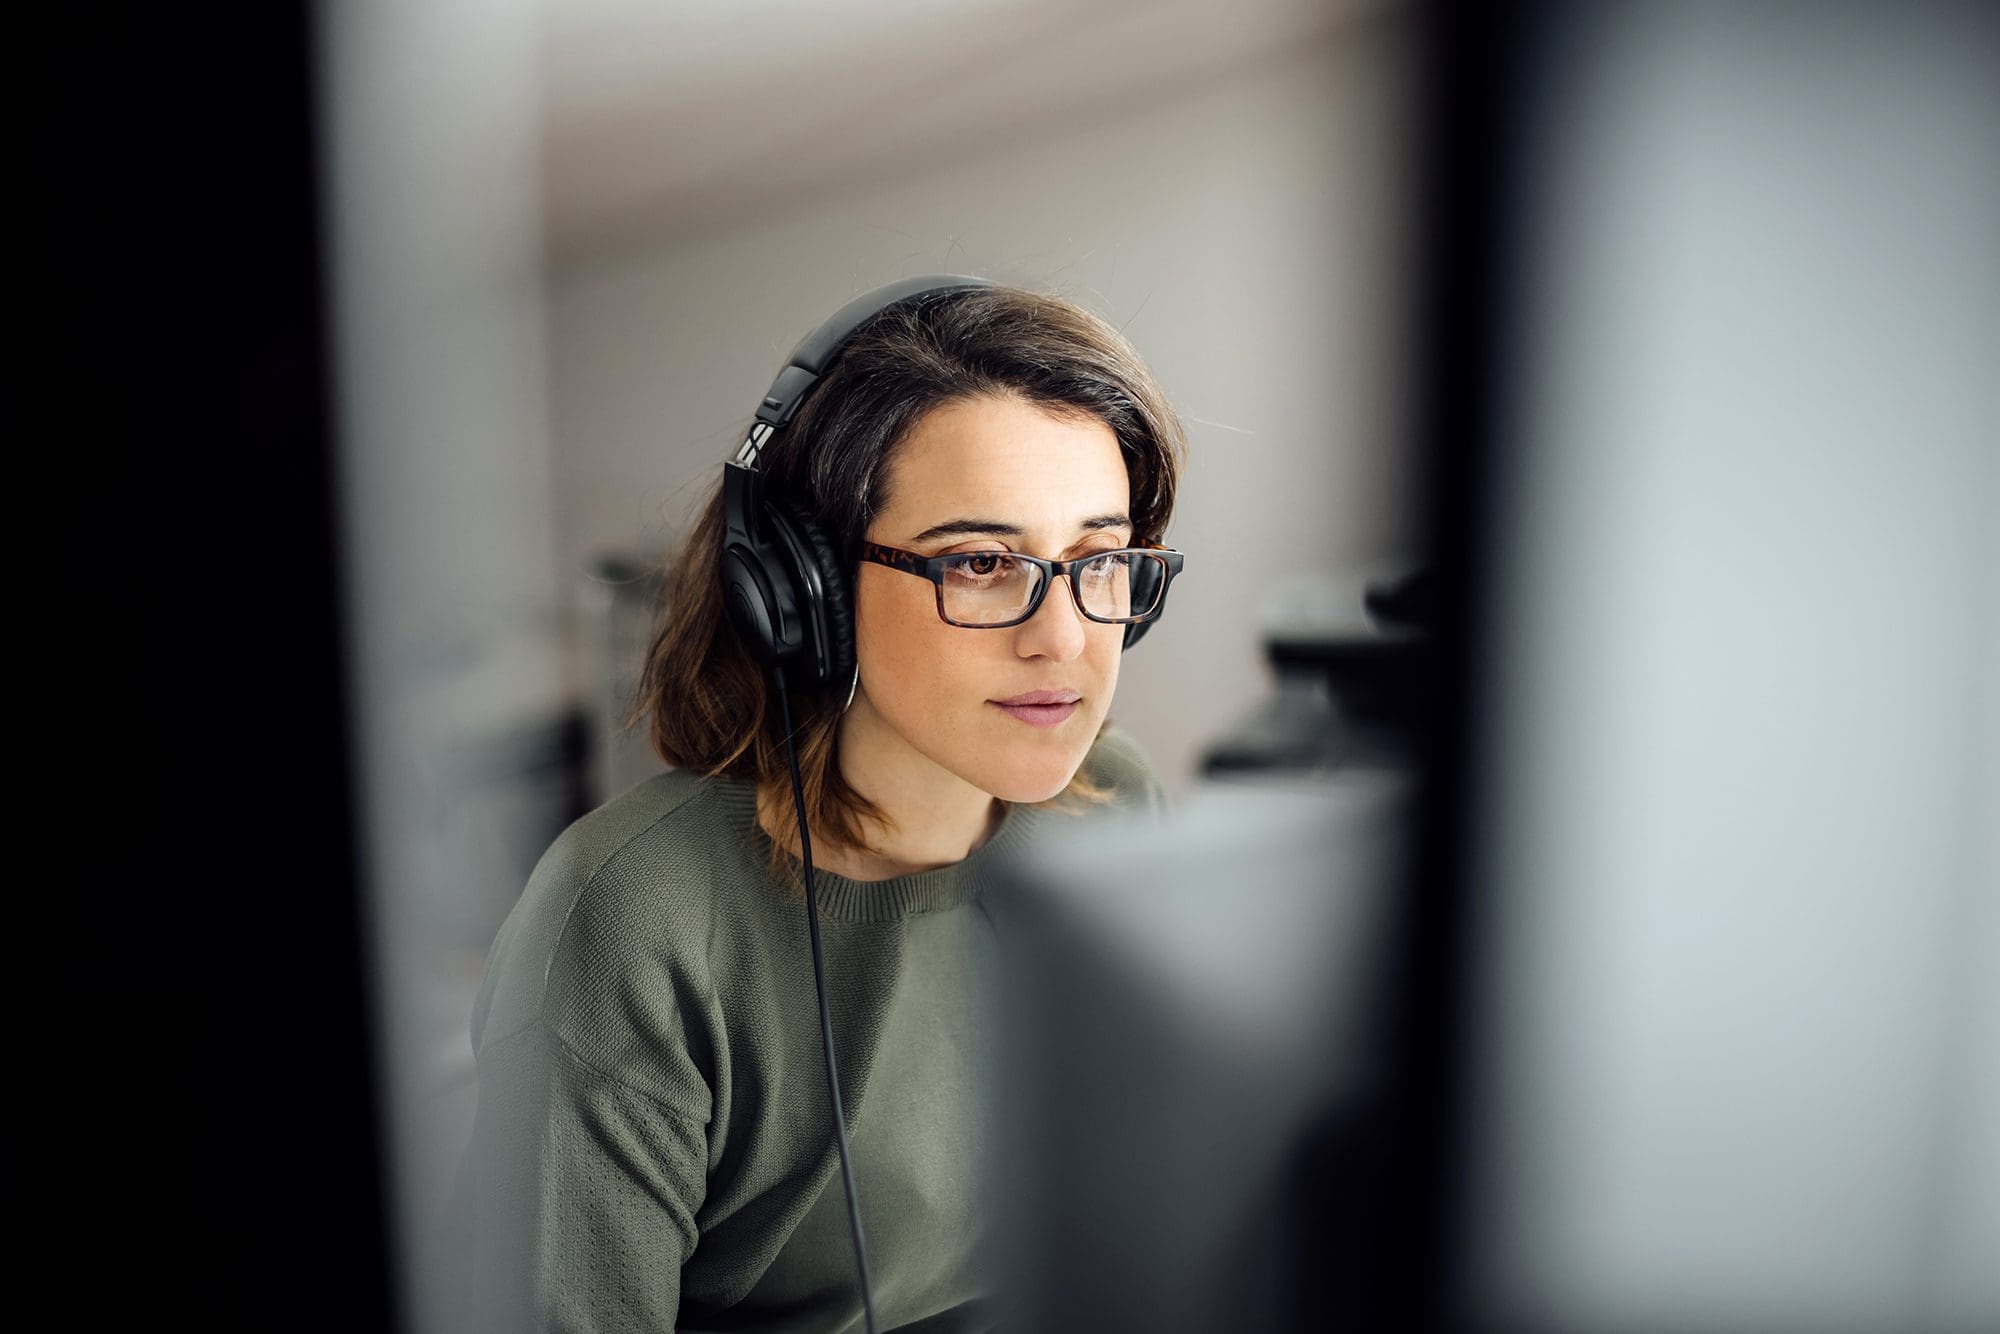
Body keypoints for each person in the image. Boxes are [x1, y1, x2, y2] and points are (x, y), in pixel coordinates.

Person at [443, 280, 1188, 1332]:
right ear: (805, 585)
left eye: (1097, 559)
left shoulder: (1113, 802)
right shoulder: (631, 922)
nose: (1063, 639)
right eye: (979, 562)